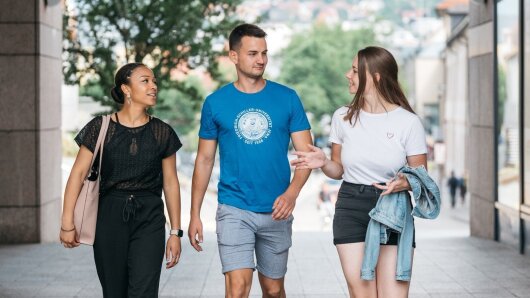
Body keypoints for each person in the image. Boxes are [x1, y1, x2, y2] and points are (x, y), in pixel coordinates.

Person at [291, 46, 428, 298]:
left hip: (392, 209)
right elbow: (338, 169)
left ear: (375, 77)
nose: (347, 74)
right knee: (362, 294)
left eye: (354, 70)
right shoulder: (342, 117)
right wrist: (322, 162)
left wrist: (402, 183)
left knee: (393, 295)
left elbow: (420, 176)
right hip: (351, 206)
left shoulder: (408, 122)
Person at [188, 24, 312, 297]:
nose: (261, 60)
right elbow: (205, 159)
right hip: (234, 208)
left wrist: (291, 194)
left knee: (273, 289)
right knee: (238, 288)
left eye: (265, 53)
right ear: (234, 56)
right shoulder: (215, 102)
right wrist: (194, 213)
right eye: (253, 53)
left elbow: (308, 156)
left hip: (277, 209)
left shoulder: (287, 98)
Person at [60, 63, 183, 297]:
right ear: (126, 89)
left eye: (154, 81)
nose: (153, 86)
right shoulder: (100, 127)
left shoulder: (162, 132)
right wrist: (67, 223)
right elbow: (77, 175)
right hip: (109, 217)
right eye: (145, 81)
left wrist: (175, 233)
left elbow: (171, 183)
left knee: (144, 291)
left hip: (150, 218)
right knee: (114, 291)